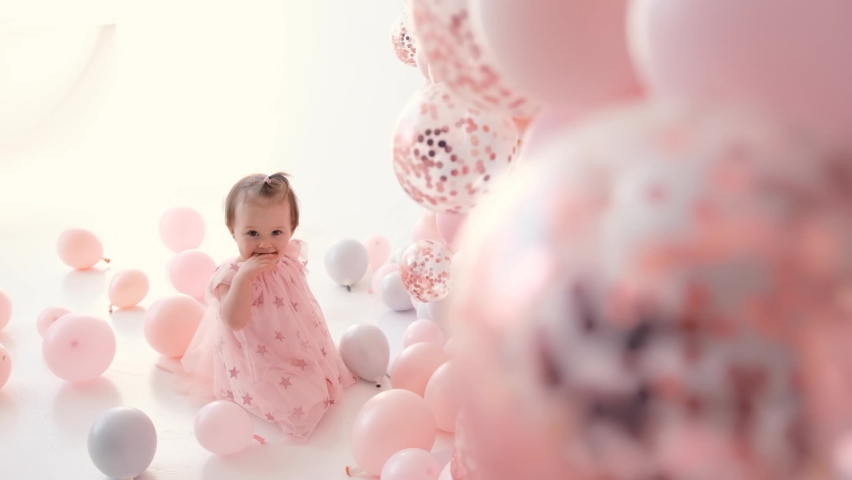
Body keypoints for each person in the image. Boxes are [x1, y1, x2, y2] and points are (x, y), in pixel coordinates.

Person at [183, 172, 355, 440]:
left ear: (292, 229)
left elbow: (300, 304)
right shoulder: (230, 275)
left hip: (291, 339)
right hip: (255, 352)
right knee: (289, 395)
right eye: (252, 233)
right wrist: (244, 278)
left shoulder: (285, 258)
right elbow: (233, 321)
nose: (265, 243)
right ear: (232, 230)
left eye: (276, 232)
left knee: (312, 375)